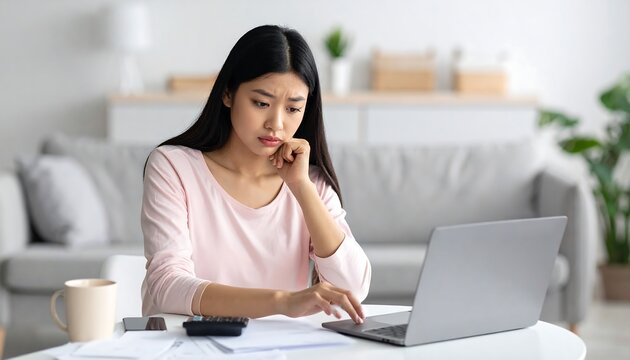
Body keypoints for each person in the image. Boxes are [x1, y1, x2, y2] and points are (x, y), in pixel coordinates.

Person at [141, 25, 371, 325]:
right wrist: (282, 301)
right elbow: (168, 286)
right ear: (227, 93)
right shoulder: (173, 167)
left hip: (277, 350)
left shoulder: (310, 182)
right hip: (185, 347)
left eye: (292, 108)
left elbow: (353, 289)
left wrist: (301, 187)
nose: (276, 124)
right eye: (261, 103)